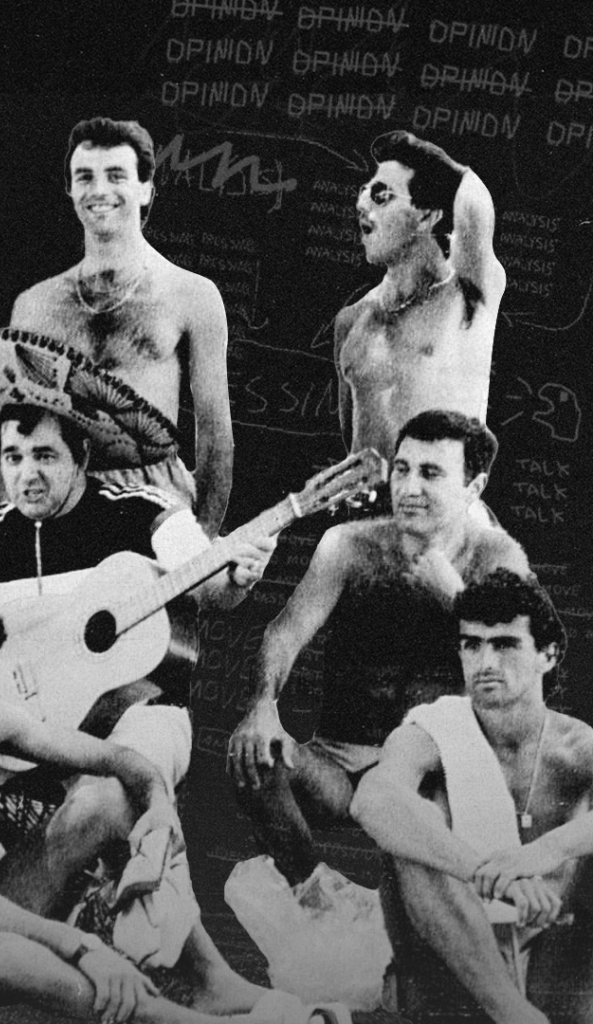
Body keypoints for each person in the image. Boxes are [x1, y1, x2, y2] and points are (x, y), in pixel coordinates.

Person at [0, 329, 281, 1013]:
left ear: (82, 457)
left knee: (122, 779)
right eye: (12, 457)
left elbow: (210, 584)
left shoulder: (147, 516)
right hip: (21, 741)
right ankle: (169, 967)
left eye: (45, 455)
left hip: (137, 720)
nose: (27, 474)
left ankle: (192, 972)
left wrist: (237, 577)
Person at [0, 579, 333, 1023]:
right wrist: (83, 948)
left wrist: (158, 807)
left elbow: (117, 760)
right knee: (15, 956)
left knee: (111, 802)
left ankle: (213, 981)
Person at [227, 410, 531, 887]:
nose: (409, 488)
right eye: (402, 469)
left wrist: (455, 598)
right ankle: (315, 899)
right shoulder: (348, 545)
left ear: (473, 487)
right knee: (254, 757)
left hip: (432, 773)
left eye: (431, 473)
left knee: (465, 812)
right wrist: (262, 707)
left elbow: (520, 670)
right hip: (338, 765)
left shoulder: (497, 556)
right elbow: (285, 632)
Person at [351, 571, 593, 1024]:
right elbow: (372, 800)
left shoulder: (577, 748)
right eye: (472, 645)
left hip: (557, 960)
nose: (485, 662)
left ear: (547, 654)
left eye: (505, 644)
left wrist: (546, 851)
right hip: (457, 964)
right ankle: (514, 1014)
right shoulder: (431, 731)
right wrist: (491, 874)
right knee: (415, 824)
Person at [9, 117, 233, 537]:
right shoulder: (34, 305)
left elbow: (215, 433)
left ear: (145, 189)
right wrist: (10, 535)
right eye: (85, 177)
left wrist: (203, 537)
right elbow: (12, 429)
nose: (99, 190)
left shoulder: (192, 294)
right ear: (70, 189)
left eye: (116, 176)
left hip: (156, 500)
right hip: (61, 499)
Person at [336, 130, 505, 468]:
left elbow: (474, 200)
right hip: (367, 499)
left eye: (382, 196)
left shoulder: (468, 294)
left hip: (443, 498)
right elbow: (351, 441)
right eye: (364, 192)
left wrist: (418, 151)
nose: (362, 205)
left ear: (426, 215)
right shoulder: (351, 319)